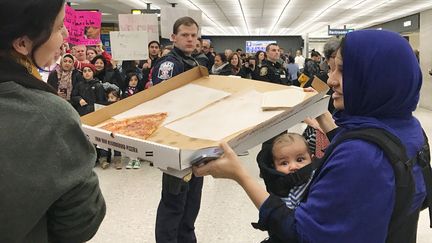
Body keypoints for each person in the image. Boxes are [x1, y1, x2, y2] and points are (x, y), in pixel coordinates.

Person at [193, 30, 429, 242]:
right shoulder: (407, 128)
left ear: (378, 78)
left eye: (344, 71)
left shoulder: (361, 156)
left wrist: (240, 175)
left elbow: (300, 234)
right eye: (332, 67)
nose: (331, 79)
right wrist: (322, 115)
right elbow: (370, 150)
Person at [0, 0, 106, 241]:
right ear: (23, 43)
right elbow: (81, 221)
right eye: (59, 27)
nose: (66, 35)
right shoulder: (50, 115)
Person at [150, 16, 203, 243]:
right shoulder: (170, 64)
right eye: (185, 35)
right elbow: (164, 103)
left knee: (192, 201)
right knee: (174, 202)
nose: (190, 39)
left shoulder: (194, 63)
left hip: (196, 138)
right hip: (176, 140)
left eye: (193, 35)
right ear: (173, 37)